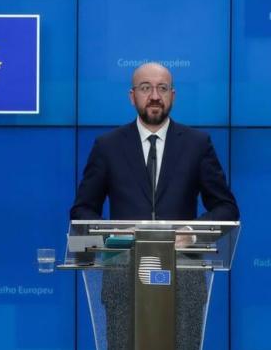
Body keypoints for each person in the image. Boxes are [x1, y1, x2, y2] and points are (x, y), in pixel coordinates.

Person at [69, 62, 239, 350]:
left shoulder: (197, 144)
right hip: (122, 277)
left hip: (184, 278)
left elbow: (226, 208)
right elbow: (81, 211)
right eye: (146, 88)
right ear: (132, 96)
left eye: (162, 88)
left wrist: (191, 234)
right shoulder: (108, 146)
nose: (155, 96)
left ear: (173, 95)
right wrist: (113, 236)